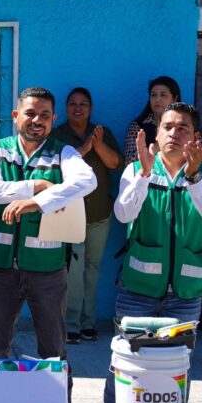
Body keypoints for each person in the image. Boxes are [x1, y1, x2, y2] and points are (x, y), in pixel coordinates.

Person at [105, 103, 202, 403]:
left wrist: (194, 178)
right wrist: (144, 175)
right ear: (157, 134)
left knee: (176, 368)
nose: (174, 133)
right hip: (138, 289)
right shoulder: (136, 170)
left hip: (186, 294)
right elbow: (123, 214)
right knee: (125, 362)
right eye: (167, 127)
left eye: (182, 128)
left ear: (196, 138)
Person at [0, 87, 95, 394]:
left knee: (54, 353)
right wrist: (36, 186)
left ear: (53, 119)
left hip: (48, 271)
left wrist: (37, 202)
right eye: (30, 113)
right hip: (0, 269)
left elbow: (86, 181)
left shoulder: (64, 153)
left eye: (44, 115)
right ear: (16, 116)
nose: (37, 120)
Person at [50, 87, 121, 344]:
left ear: (90, 109)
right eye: (73, 104)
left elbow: (115, 164)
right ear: (66, 108)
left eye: (83, 104)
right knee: (74, 270)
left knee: (93, 268)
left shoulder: (102, 132)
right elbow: (54, 169)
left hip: (100, 213)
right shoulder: (57, 136)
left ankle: (88, 322)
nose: (78, 108)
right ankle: (71, 324)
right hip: (70, 214)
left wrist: (98, 145)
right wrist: (83, 148)